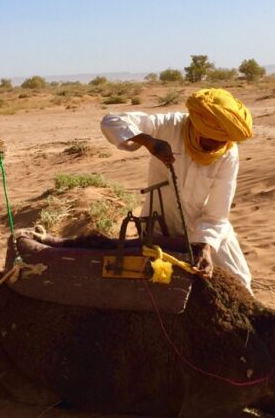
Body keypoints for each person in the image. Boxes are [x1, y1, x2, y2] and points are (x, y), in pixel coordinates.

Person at [100, 88, 254, 293]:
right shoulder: (169, 125)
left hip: (205, 230)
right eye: (210, 138)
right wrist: (149, 142)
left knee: (239, 282)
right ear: (196, 125)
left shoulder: (227, 153)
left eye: (222, 141)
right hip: (158, 226)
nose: (215, 145)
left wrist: (205, 247)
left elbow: (216, 214)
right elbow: (111, 122)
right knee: (157, 287)